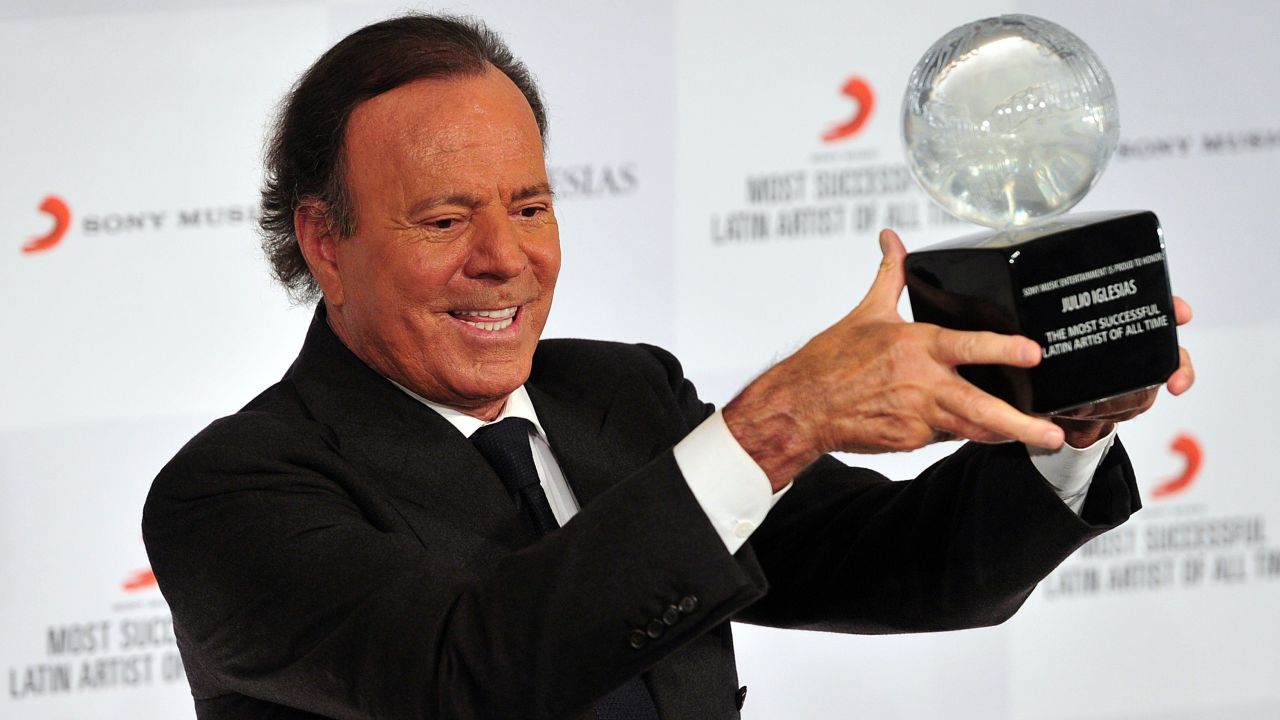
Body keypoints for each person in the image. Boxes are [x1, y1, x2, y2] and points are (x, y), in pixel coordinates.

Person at [142, 13, 1195, 720]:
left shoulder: (619, 398)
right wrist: (774, 425)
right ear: (325, 240)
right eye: (443, 216)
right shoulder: (231, 496)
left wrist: (1066, 416)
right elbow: (470, 677)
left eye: (528, 206)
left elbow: (912, 566)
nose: (502, 256)